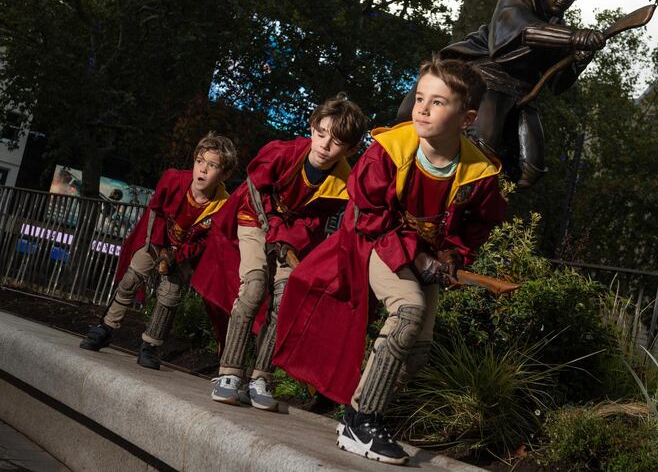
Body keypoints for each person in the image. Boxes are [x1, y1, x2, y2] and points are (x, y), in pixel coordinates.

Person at [272, 58, 507, 465]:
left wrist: (452, 254)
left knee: (417, 351)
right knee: (408, 310)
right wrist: (414, 256)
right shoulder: (389, 150)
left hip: (426, 258)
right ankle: (363, 421)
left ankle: (358, 412)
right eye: (419, 98)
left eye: (437, 102)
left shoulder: (479, 172)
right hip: (376, 243)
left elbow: (476, 225)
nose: (422, 109)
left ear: (466, 117)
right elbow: (367, 215)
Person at [190, 93, 370, 411]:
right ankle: (230, 372)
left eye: (337, 141)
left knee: (285, 299)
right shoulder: (283, 153)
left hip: (291, 236)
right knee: (255, 285)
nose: (325, 145)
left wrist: (288, 240)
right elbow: (256, 192)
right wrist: (272, 228)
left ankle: (261, 377)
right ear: (313, 126)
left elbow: (316, 220)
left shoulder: (343, 182)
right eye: (321, 133)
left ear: (352, 148)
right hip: (254, 219)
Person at [397, 0, 603, 189]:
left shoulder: (557, 24)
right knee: (480, 147)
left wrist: (580, 58)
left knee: (531, 169)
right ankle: (444, 195)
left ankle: (486, 203)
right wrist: (574, 37)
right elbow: (517, 34)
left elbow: (558, 82)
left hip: (521, 95)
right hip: (487, 80)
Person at [80, 132, 238, 370]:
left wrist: (177, 256)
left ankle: (150, 345)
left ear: (225, 174)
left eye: (213, 165)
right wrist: (158, 248)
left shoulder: (223, 205)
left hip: (185, 253)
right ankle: (106, 327)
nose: (203, 170)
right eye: (200, 161)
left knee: (170, 293)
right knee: (134, 274)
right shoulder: (174, 179)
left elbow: (207, 242)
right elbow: (156, 214)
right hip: (157, 239)